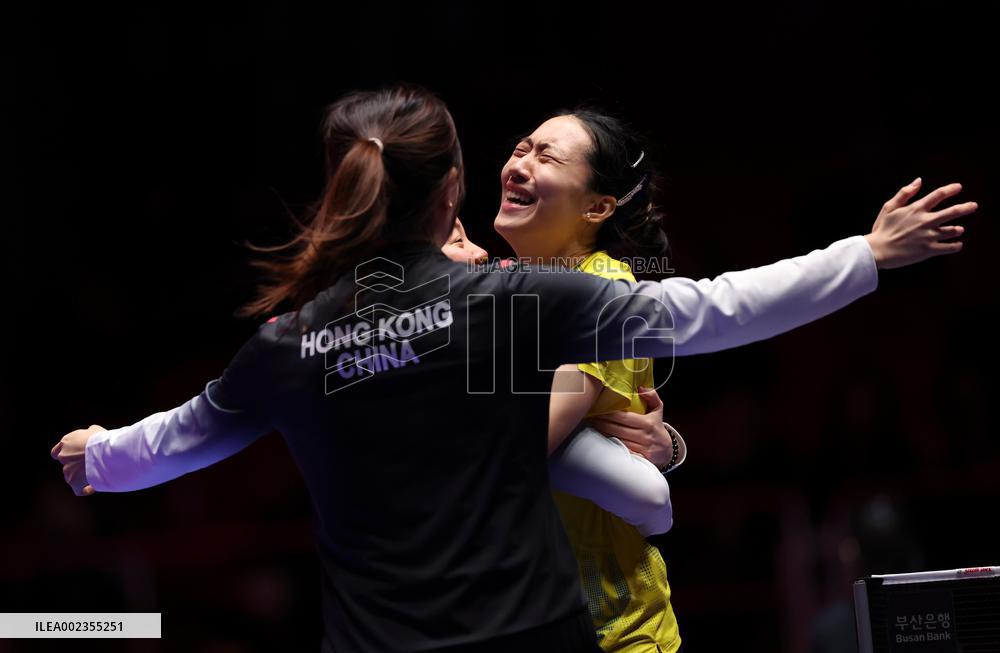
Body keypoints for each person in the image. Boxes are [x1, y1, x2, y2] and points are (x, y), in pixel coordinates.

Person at [51, 84, 975, 653]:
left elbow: (178, 437)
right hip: (536, 632)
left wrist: (97, 457)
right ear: (451, 186)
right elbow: (712, 311)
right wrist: (869, 255)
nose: (520, 162)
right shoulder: (517, 302)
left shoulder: (291, 342)